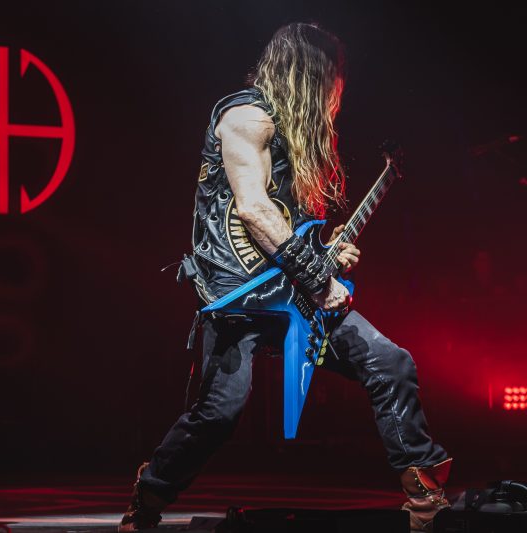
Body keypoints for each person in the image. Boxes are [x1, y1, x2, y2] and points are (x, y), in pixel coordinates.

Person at [119, 22, 451, 533]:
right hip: (238, 296)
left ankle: (425, 501)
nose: (337, 96)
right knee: (218, 413)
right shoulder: (245, 117)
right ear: (312, 75)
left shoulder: (296, 140)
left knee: (391, 363)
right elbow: (253, 210)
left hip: (294, 293)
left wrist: (327, 253)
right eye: (334, 82)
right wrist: (319, 279)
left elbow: (286, 227)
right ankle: (148, 498)